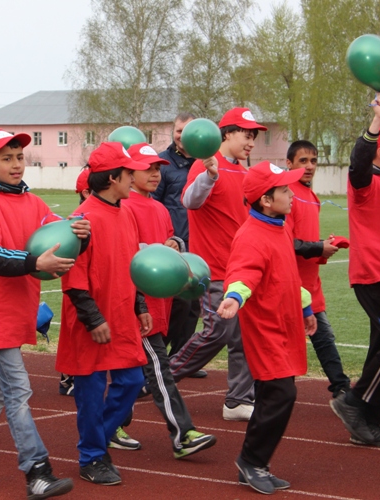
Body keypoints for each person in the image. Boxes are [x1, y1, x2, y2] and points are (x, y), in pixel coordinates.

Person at [0, 129, 87, 498]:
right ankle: (37, 470)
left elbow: (57, 233)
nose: (16, 164)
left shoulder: (34, 203)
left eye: (19, 157)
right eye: (6, 158)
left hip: (20, 306)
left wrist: (80, 232)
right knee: (18, 390)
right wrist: (34, 261)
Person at [217, 161, 316, 494]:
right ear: (266, 200)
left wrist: (305, 306)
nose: (292, 194)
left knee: (275, 394)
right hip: (265, 328)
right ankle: (251, 461)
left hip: (285, 323)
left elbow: (285, 275)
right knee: (281, 393)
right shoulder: (251, 236)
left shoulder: (280, 227)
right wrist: (234, 296)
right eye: (285, 190)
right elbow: (243, 273)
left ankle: (255, 463)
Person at [56, 141, 149, 486]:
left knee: (133, 381)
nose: (134, 177)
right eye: (129, 172)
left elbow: (133, 265)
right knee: (91, 394)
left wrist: (140, 306)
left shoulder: (127, 213)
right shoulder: (82, 220)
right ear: (113, 178)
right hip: (91, 322)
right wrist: (93, 319)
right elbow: (73, 279)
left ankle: (98, 439)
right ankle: (91, 457)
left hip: (122, 316)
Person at [169, 107, 267, 421]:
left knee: (245, 337)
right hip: (213, 268)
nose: (251, 142)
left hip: (241, 270)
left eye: (253, 136)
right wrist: (210, 175)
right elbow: (190, 201)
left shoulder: (245, 172)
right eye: (246, 135)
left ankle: (238, 400)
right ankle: (160, 376)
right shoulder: (206, 163)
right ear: (226, 134)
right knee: (218, 332)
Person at [124, 143, 217, 459]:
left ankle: (110, 425)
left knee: (131, 374)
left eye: (157, 168)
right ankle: (183, 434)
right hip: (139, 308)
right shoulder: (126, 208)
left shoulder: (160, 208)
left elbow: (170, 240)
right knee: (159, 371)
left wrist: (175, 244)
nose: (155, 174)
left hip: (160, 304)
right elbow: (132, 256)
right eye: (147, 168)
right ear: (129, 172)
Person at [330, 92, 380, 448]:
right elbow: (358, 162)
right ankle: (353, 402)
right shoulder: (365, 184)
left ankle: (367, 424)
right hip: (373, 276)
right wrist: (378, 120)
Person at [285, 140, 351, 398]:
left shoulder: (311, 195)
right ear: (289, 163)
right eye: (303, 161)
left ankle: (342, 388)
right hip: (290, 283)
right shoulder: (285, 194)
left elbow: (305, 239)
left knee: (323, 337)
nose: (310, 166)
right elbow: (284, 242)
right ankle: (270, 392)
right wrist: (318, 247)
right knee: (289, 343)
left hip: (311, 283)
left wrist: (325, 245)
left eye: (313, 161)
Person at [152, 113, 205, 368]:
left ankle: (181, 359)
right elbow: (154, 204)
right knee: (176, 304)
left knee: (194, 305)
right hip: (173, 244)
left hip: (199, 244)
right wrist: (165, 239)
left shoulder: (204, 163)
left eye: (187, 130)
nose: (182, 136)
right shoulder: (163, 164)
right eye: (178, 130)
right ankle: (160, 358)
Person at [58, 167, 90, 398]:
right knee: (74, 333)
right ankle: (68, 376)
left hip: (90, 286)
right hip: (79, 287)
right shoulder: (80, 219)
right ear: (87, 192)